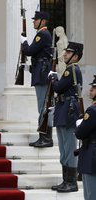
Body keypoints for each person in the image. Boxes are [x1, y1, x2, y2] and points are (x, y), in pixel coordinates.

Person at [48, 41, 84, 192]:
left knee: (69, 148)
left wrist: (53, 77)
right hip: (64, 110)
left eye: (68, 53)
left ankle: (72, 182)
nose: (65, 54)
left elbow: (58, 87)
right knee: (64, 148)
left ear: (75, 57)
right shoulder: (70, 70)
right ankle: (66, 180)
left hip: (68, 111)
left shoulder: (72, 70)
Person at [20, 11, 53, 148]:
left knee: (43, 108)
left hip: (42, 75)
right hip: (40, 72)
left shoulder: (42, 34)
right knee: (44, 107)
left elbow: (29, 51)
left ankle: (45, 137)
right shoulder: (43, 34)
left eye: (36, 19)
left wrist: (24, 42)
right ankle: (45, 136)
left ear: (43, 21)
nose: (34, 21)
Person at [75, 74, 96, 200]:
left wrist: (79, 125)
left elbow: (79, 133)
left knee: (90, 195)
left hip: (91, 156)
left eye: (94, 87)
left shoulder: (92, 111)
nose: (91, 90)